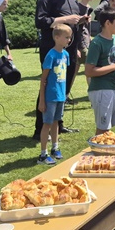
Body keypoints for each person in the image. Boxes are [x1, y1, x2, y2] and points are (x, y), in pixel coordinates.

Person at [35, 0, 85, 137]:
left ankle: (58, 124)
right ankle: (40, 129)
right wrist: (65, 19)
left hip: (69, 50)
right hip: (52, 49)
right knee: (49, 86)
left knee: (63, 86)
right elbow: (40, 21)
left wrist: (80, 20)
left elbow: (71, 23)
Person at [86, 8, 115, 134]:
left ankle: (114, 144)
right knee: (104, 130)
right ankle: (101, 147)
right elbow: (89, 71)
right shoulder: (97, 43)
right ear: (107, 23)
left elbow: (113, 62)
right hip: (101, 90)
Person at [37, 24, 72, 165]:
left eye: (70, 37)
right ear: (56, 38)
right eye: (66, 37)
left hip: (60, 96)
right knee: (47, 123)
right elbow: (43, 79)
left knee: (56, 121)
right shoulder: (51, 55)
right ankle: (43, 154)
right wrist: (42, 100)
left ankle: (55, 147)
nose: (69, 40)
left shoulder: (66, 55)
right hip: (50, 96)